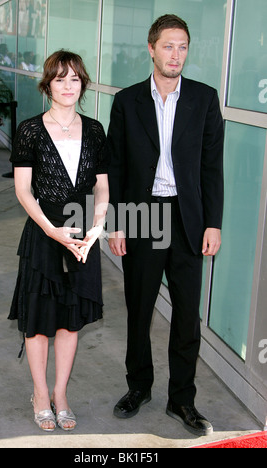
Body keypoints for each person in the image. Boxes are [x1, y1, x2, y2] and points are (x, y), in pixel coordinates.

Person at [107, 15, 224, 436]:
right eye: (169, 46)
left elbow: (212, 167)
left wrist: (214, 223)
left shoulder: (205, 99)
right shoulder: (127, 101)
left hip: (187, 217)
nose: (176, 55)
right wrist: (116, 223)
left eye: (183, 47)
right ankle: (138, 387)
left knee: (187, 315)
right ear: (152, 49)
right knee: (139, 308)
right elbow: (116, 166)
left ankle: (182, 400)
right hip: (143, 214)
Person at [9, 50, 109, 432]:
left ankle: (61, 394)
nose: (68, 86)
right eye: (60, 79)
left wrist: (97, 228)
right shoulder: (31, 130)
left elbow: (102, 189)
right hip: (43, 234)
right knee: (37, 322)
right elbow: (23, 191)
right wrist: (51, 230)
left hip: (83, 236)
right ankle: (39, 394)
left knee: (70, 322)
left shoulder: (95, 130)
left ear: (83, 83)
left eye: (74, 79)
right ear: (47, 84)